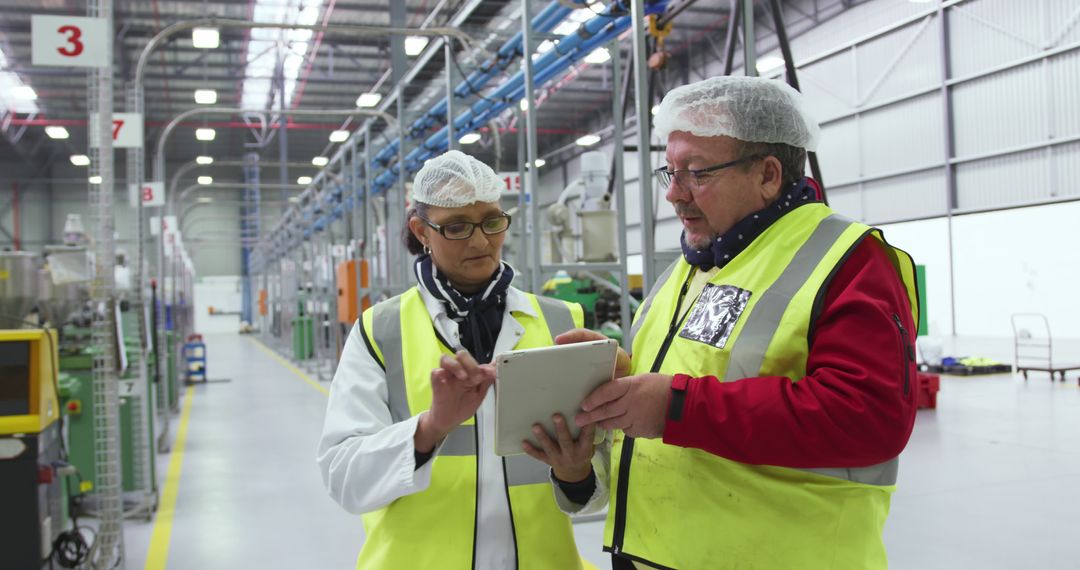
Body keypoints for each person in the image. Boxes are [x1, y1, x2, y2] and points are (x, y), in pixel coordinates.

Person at [531, 76, 920, 569]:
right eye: (668, 172)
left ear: (768, 175)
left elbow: (869, 418)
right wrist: (622, 376)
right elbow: (700, 376)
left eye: (697, 173)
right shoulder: (697, 263)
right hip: (652, 554)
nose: (674, 195)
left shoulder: (847, 259)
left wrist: (674, 407)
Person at [316, 150, 606, 569]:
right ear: (421, 231)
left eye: (491, 221)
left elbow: (598, 482)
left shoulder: (561, 321)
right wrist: (431, 428)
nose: (479, 241)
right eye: (456, 227)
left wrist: (576, 474)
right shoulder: (380, 331)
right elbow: (344, 478)